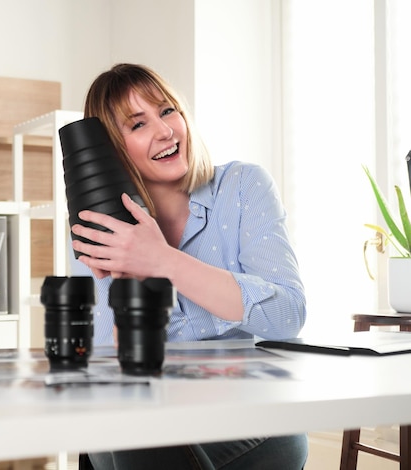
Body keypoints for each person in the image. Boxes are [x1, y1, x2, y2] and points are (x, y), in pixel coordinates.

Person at [69, 63, 309, 470]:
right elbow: (110, 374)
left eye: (167, 111)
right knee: (117, 430)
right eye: (138, 125)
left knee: (134, 439)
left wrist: (163, 261)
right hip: (150, 417)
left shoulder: (243, 187)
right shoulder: (102, 228)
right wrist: (132, 287)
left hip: (248, 414)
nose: (165, 131)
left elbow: (287, 316)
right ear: (110, 149)